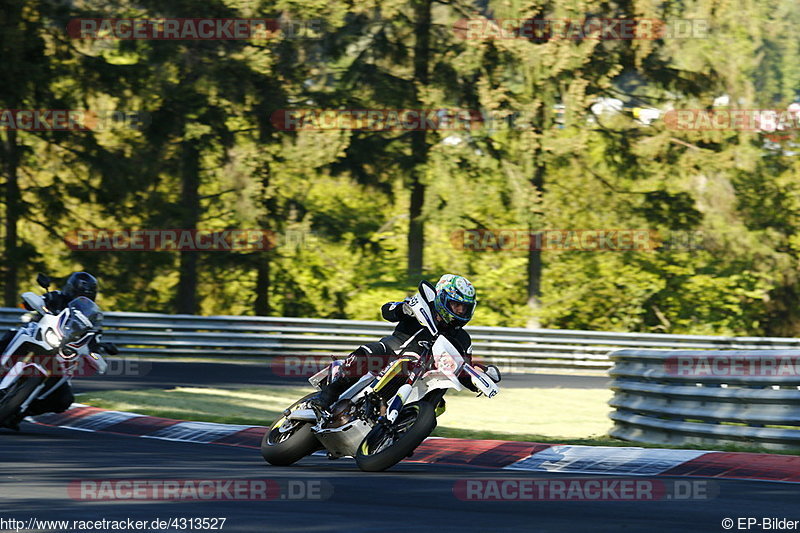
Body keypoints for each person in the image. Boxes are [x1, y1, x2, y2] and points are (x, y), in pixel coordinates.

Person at [310, 273, 490, 410]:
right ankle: (328, 395)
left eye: (464, 307)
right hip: (392, 353)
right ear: (442, 298)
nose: (460, 311)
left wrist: (481, 373)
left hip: (422, 377)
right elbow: (386, 311)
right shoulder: (422, 307)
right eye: (456, 305)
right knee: (373, 351)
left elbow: (464, 367)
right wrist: (402, 309)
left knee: (438, 405)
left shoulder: (462, 338)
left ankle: (398, 434)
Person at [0, 272, 115, 429]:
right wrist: (35, 303)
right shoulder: (57, 297)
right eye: (79, 291)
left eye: (86, 293)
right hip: (39, 334)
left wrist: (97, 351)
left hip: (60, 352)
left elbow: (93, 338)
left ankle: (19, 412)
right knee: (12, 333)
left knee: (64, 399)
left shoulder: (93, 317)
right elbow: (35, 302)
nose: (81, 295)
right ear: (71, 288)